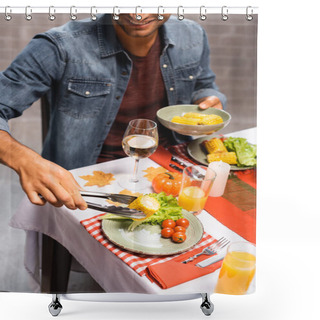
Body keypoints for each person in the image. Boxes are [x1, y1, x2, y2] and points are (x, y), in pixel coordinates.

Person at [0, 13, 226, 212]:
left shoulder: (193, 34)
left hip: (173, 170)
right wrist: (24, 160)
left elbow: (203, 83)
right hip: (87, 181)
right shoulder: (59, 46)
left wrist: (208, 99)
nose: (139, 15)